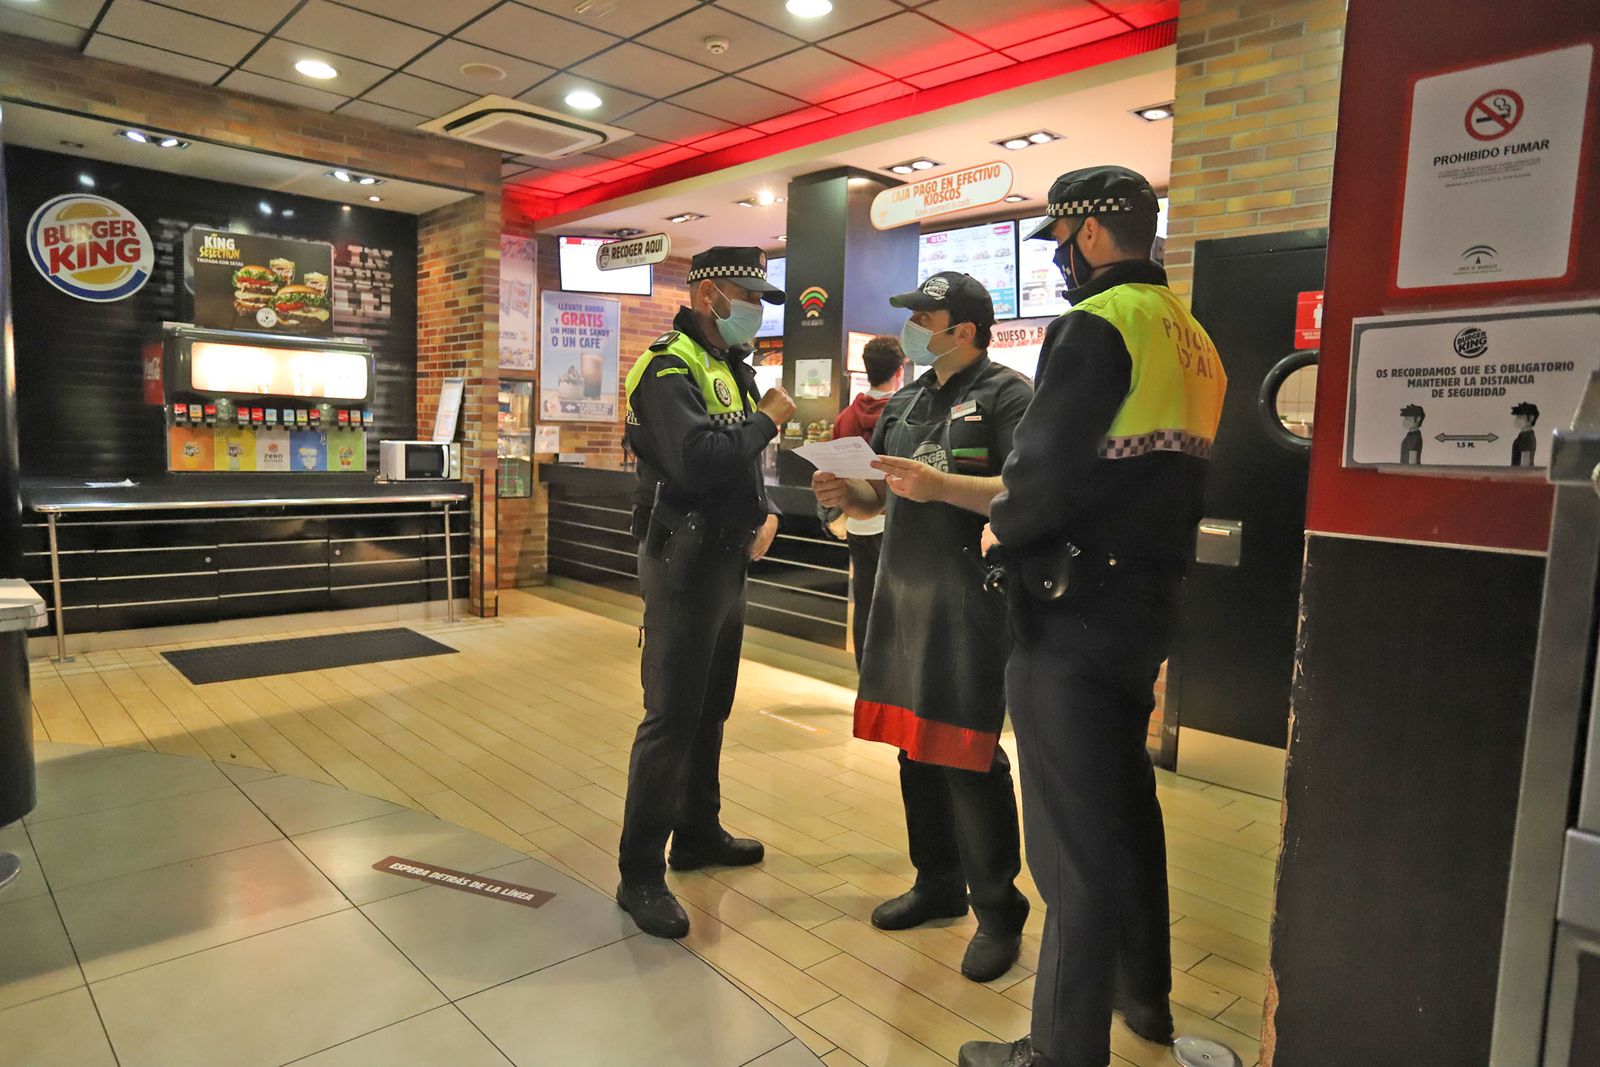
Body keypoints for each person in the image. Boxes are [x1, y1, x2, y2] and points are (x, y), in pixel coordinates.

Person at [960, 167, 1227, 1067]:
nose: (1062, 264)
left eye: (1061, 244)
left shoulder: (1095, 325)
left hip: (1067, 617)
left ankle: (1060, 1052)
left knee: (1070, 845)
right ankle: (1141, 998)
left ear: (1088, 235)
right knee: (1127, 811)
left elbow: (1042, 472)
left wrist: (1000, 531)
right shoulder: (1194, 337)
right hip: (1146, 609)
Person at [814, 272, 1034, 983]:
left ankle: (999, 910)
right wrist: (842, 487)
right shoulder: (904, 398)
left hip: (969, 603)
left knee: (967, 752)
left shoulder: (1008, 395)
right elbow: (878, 489)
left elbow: (1023, 491)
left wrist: (941, 486)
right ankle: (936, 881)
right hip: (901, 598)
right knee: (914, 745)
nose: (913, 325)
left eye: (924, 315)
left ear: (963, 328)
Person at [616, 246, 797, 939]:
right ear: (709, 292)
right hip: (684, 561)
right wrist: (768, 417)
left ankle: (697, 831)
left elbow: (743, 465)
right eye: (747, 296)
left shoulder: (729, 368)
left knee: (710, 708)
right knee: (670, 715)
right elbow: (697, 460)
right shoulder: (667, 365)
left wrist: (768, 509)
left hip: (728, 560)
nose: (754, 311)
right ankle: (640, 872)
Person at [832, 335, 906, 667]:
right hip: (895, 522)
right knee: (898, 605)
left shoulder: (845, 416)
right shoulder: (904, 413)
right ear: (900, 370)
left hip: (857, 521)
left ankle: (867, 677)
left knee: (865, 602)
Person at [1510, 401, 1539, 467]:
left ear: (1531, 418)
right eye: (1517, 416)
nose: (1517, 419)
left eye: (1521, 416)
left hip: (1519, 474)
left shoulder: (1526, 437)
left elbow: (1525, 464)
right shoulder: (1524, 436)